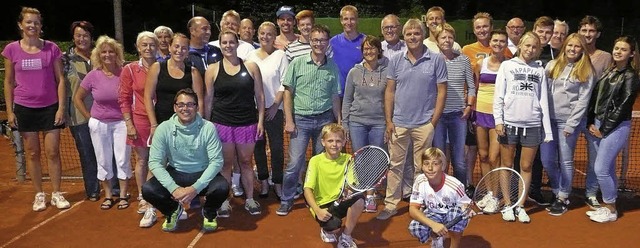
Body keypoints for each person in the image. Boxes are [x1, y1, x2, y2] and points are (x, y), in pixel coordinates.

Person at [378, 19, 447, 220]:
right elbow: (389, 92)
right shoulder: (396, 60)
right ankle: (390, 204)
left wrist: (432, 122)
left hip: (424, 124)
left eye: (416, 33)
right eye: (409, 34)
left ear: (422, 35)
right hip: (398, 124)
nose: (412, 37)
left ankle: (419, 205)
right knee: (395, 166)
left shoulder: (436, 59)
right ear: (404, 36)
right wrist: (389, 121)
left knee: (422, 167)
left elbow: (442, 92)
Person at [2, 7, 70, 211]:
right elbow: (8, 82)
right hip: (24, 107)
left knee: (53, 152)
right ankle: (39, 194)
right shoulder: (11, 49)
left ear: (41, 26)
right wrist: (10, 111)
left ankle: (57, 193)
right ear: (20, 25)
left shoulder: (52, 48)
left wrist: (60, 108)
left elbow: (60, 80)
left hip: (50, 108)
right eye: (28, 22)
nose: (32, 26)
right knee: (32, 153)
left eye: (36, 22)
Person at [141, 88, 228, 232]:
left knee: (222, 187)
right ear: (175, 107)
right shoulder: (164, 128)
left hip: (202, 172)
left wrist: (195, 189)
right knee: (148, 190)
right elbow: (154, 162)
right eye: (180, 105)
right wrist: (173, 189)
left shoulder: (208, 128)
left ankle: (209, 213)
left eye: (190, 104)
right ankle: (173, 210)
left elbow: (217, 161)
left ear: (197, 107)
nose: (185, 108)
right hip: (176, 172)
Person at [277, 24, 342, 216]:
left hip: (324, 121)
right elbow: (288, 92)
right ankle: (287, 199)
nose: (318, 44)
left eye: (322, 40)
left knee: (320, 163)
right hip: (301, 121)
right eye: (315, 40)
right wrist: (289, 120)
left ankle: (316, 198)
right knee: (295, 163)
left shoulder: (332, 66)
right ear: (310, 41)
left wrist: (338, 121)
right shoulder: (297, 63)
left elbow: (334, 97)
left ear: (327, 43)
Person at [493, 32, 552, 223]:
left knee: (526, 166)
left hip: (533, 125)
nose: (530, 50)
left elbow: (543, 100)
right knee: (507, 165)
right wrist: (499, 120)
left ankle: (520, 205)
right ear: (520, 46)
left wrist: (547, 129)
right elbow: (499, 96)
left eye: (534, 47)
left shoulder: (539, 70)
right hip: (509, 124)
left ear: (538, 49)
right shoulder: (507, 66)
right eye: (527, 45)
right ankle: (508, 205)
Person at [205, 30, 265, 217]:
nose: (228, 46)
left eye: (232, 42)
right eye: (224, 43)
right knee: (225, 164)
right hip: (221, 124)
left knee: (246, 162)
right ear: (220, 45)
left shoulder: (252, 67)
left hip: (247, 123)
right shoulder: (212, 69)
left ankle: (249, 199)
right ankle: (223, 201)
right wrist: (207, 124)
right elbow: (208, 100)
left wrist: (260, 120)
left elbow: (260, 96)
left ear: (237, 44)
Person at [585, 36, 640, 223]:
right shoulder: (610, 71)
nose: (618, 52)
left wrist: (604, 129)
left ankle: (611, 208)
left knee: (600, 168)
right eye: (616, 48)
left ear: (631, 53)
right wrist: (592, 121)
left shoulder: (631, 76)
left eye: (623, 49)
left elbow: (623, 106)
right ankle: (608, 206)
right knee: (607, 167)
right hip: (600, 123)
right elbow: (598, 98)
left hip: (616, 127)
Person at [74, 35, 132, 210]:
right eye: (104, 52)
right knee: (103, 160)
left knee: (122, 160)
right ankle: (107, 195)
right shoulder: (93, 75)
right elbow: (78, 98)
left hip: (122, 123)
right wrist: (89, 117)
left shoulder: (125, 72)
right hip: (99, 124)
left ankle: (123, 195)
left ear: (117, 54)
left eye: (111, 52)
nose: (107, 55)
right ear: (99, 55)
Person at [541, 33, 595, 216]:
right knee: (547, 159)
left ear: (582, 50)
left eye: (577, 46)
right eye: (570, 45)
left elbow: (583, 101)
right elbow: (544, 93)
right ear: (565, 46)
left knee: (565, 160)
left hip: (567, 123)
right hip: (549, 121)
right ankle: (557, 189)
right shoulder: (552, 65)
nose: (572, 49)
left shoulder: (587, 71)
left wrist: (571, 125)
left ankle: (563, 196)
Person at [341, 35, 388, 213]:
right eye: (365, 49)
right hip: (357, 121)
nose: (369, 51)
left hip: (379, 122)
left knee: (376, 159)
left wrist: (389, 122)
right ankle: (361, 191)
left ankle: (371, 194)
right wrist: (345, 123)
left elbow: (392, 97)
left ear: (378, 50)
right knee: (359, 159)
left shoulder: (387, 71)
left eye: (372, 48)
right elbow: (347, 99)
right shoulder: (354, 72)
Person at [119, 31, 158, 226]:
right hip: (140, 121)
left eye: (152, 44)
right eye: (144, 45)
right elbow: (124, 98)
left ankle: (160, 195)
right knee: (143, 160)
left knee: (161, 160)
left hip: (162, 120)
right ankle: (144, 196)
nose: (148, 48)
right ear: (138, 47)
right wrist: (129, 123)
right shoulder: (130, 69)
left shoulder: (163, 66)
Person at [303, 123, 364, 248]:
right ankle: (326, 229)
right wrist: (317, 210)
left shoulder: (349, 159)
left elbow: (352, 183)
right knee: (334, 226)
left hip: (340, 200)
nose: (334, 144)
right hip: (322, 205)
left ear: (344, 142)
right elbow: (307, 189)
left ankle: (346, 237)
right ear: (323, 142)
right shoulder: (315, 161)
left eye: (338, 141)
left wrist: (349, 190)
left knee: (359, 200)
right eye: (330, 140)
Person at [516, 16, 556, 207]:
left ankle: (535, 190)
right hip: (518, 117)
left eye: (548, 32)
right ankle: (517, 192)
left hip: (540, 117)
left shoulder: (555, 56)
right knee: (519, 157)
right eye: (541, 31)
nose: (544, 35)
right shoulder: (517, 59)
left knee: (538, 158)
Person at [246, 22, 288, 199]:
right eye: (262, 33)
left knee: (278, 148)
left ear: (274, 36)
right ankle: (263, 182)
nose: (265, 37)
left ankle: (277, 183)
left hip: (274, 111)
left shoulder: (280, 55)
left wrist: (275, 105)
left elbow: (284, 83)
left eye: (269, 34)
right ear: (258, 35)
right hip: (253, 111)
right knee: (258, 147)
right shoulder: (250, 55)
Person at [432, 23, 475, 186]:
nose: (447, 40)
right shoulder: (432, 60)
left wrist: (469, 106)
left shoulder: (463, 60)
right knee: (439, 157)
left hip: (458, 115)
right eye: (443, 37)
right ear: (437, 41)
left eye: (450, 37)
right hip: (438, 116)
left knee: (459, 160)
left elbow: (471, 86)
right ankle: (440, 192)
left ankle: (460, 193)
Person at [577, 15, 612, 209]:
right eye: (584, 30)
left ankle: (591, 193)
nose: (587, 34)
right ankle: (560, 192)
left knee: (595, 158)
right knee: (562, 157)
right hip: (572, 116)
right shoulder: (571, 53)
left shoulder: (606, 57)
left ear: (597, 33)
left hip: (595, 118)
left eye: (591, 31)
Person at [63, 20, 100, 202]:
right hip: (78, 117)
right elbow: (60, 87)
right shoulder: (65, 60)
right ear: (73, 37)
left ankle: (113, 187)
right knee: (87, 154)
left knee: (107, 153)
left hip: (104, 116)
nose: (82, 39)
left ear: (91, 38)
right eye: (78, 35)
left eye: (85, 35)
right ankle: (93, 189)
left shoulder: (101, 57)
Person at [473, 30, 509, 213]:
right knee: (484, 155)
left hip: (498, 117)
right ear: (491, 42)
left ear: (506, 44)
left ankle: (495, 196)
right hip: (480, 113)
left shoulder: (509, 66)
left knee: (495, 157)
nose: (498, 44)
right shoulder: (481, 63)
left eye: (502, 41)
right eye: (495, 40)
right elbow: (476, 87)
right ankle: (488, 192)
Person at [408, 147, 471, 248]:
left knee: (454, 215)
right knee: (415, 228)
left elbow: (466, 204)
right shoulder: (420, 180)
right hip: (433, 214)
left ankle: (454, 246)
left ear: (442, 165)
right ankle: (436, 237)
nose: (430, 168)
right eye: (426, 163)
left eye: (435, 164)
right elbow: (412, 209)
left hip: (453, 214)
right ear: (422, 166)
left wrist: (467, 210)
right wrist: (433, 224)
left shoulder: (455, 185)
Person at [145, 33, 205, 133]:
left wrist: (198, 124)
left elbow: (199, 101)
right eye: (176, 46)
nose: (179, 51)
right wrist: (153, 124)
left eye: (184, 48)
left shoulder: (193, 72)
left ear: (188, 51)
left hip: (187, 124)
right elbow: (148, 97)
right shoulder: (157, 68)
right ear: (169, 47)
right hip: (162, 122)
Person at [330, 5, 366, 97]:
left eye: (352, 19)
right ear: (341, 21)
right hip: (338, 93)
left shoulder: (365, 41)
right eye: (346, 19)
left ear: (357, 20)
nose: (349, 22)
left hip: (358, 94)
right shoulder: (333, 41)